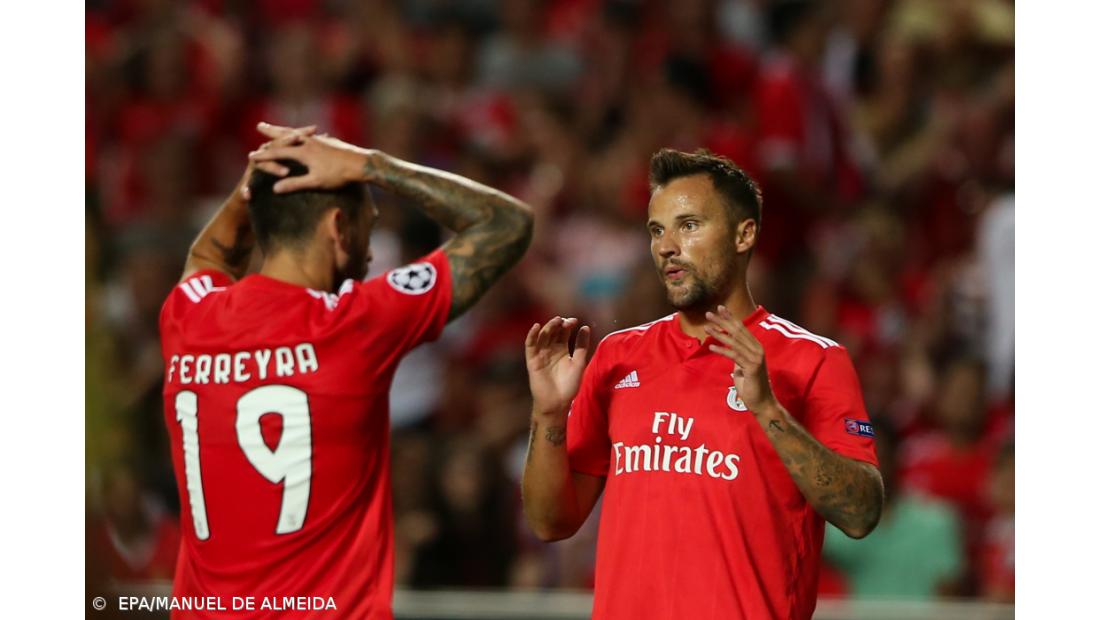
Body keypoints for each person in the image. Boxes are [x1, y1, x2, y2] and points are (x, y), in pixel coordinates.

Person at [159, 122, 533, 619]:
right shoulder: (356, 324)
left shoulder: (188, 317)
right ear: (338, 227)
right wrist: (371, 164)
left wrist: (258, 179)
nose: (372, 252)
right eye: (367, 227)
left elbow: (207, 257)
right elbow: (508, 223)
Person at [522, 148, 883, 619]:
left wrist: (768, 411)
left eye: (688, 225)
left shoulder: (813, 360)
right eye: (657, 230)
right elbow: (551, 522)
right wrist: (549, 413)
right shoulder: (617, 357)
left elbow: (860, 512)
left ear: (744, 234)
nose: (667, 246)